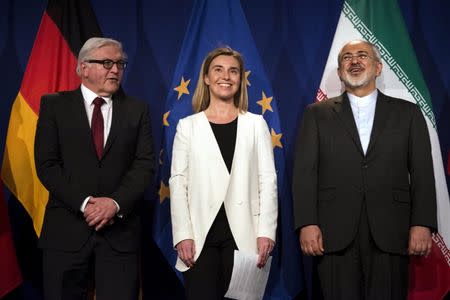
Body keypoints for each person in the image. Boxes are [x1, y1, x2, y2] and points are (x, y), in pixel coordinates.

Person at [292, 40, 437, 299]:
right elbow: (305, 172)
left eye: (362, 55)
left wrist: (422, 223)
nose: (354, 61)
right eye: (347, 57)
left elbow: (422, 172)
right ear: (339, 72)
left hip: (392, 230)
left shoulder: (409, 113)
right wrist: (307, 222)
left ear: (378, 67)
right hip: (333, 232)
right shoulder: (315, 114)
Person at [34, 37, 155, 300]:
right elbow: (47, 164)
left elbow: (145, 164)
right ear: (83, 67)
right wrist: (86, 203)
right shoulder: (54, 106)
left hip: (119, 233)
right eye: (107, 63)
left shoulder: (138, 110)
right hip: (66, 231)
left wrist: (114, 203)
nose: (115, 70)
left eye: (120, 64)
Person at [169, 47, 278, 300]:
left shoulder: (256, 124)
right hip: (199, 237)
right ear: (206, 77)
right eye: (218, 70)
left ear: (241, 80)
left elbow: (268, 180)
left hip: (245, 235)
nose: (226, 76)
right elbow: (178, 183)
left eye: (233, 71)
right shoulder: (188, 126)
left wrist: (266, 232)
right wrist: (182, 234)